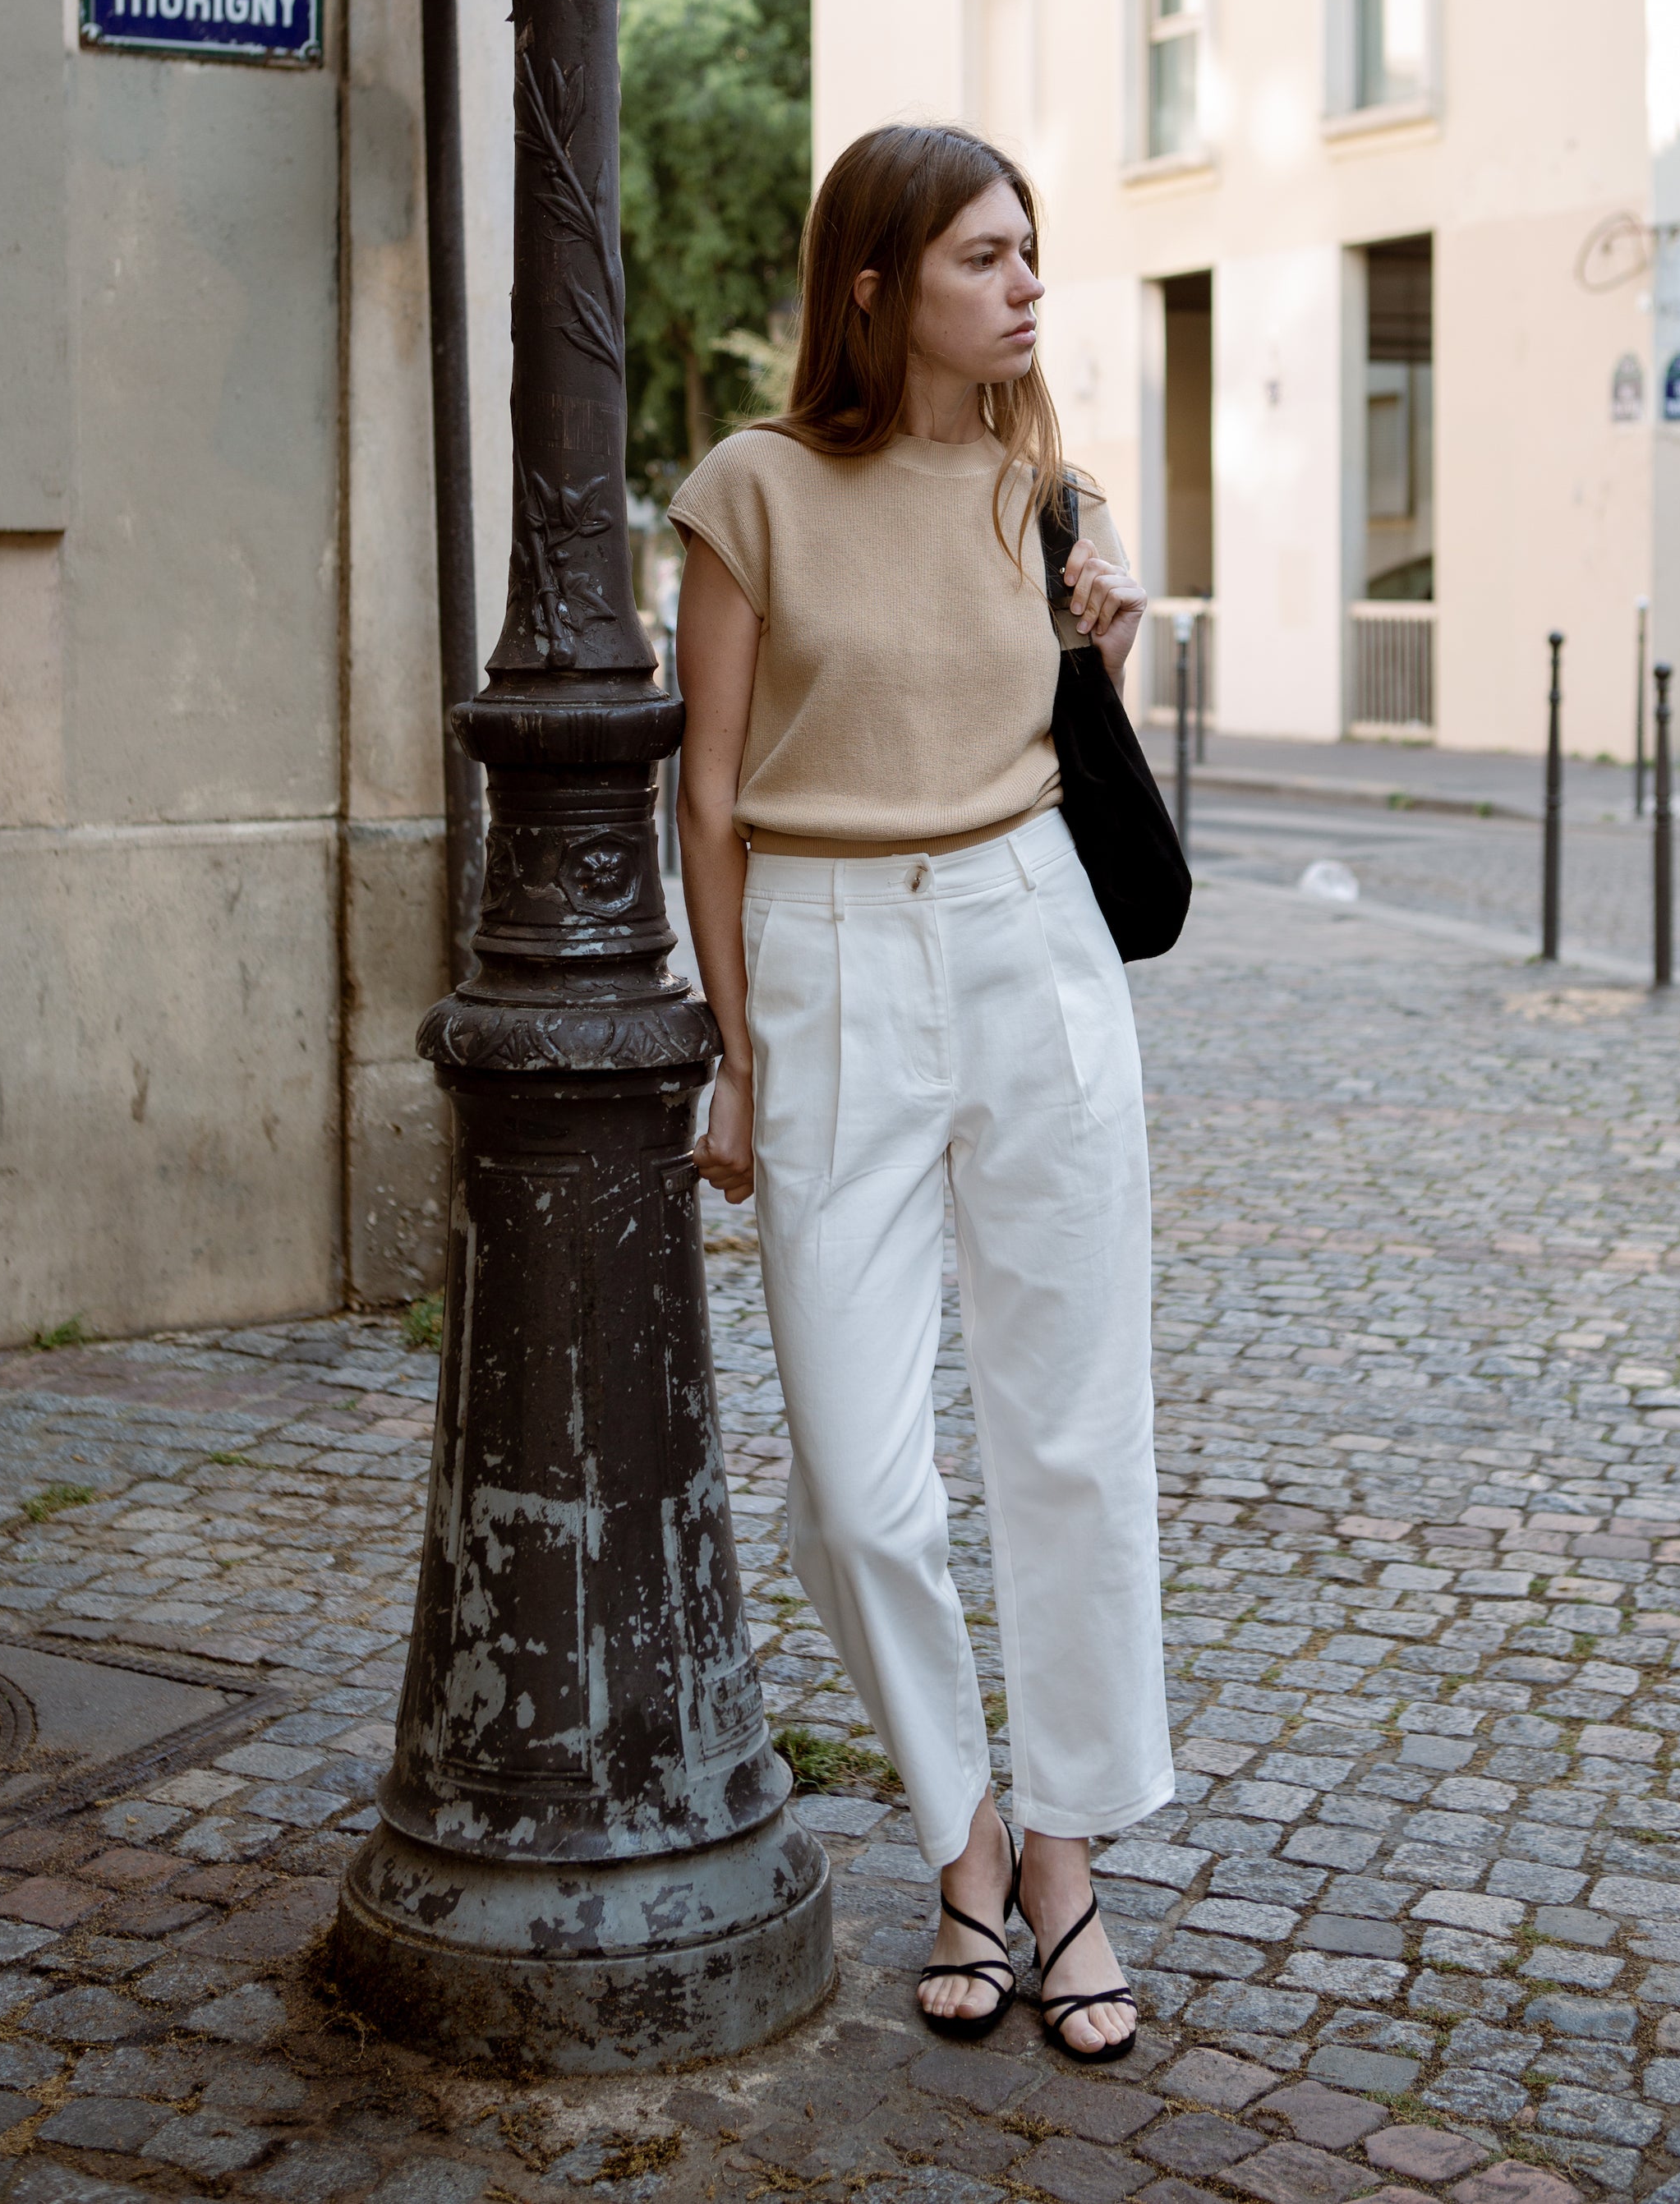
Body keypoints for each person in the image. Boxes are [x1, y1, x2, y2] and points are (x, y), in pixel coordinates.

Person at [670, 122, 1171, 2060]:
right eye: (980, 254)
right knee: (861, 1483)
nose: (1023, 281)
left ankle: (1054, 1863)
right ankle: (953, 1819)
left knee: (1068, 1432)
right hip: (822, 962)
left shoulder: (1046, 492)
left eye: (1029, 248)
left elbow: (1072, 770)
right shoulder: (752, 489)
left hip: (1027, 938)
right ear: (870, 282)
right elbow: (706, 792)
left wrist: (1096, 662)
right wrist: (728, 1049)